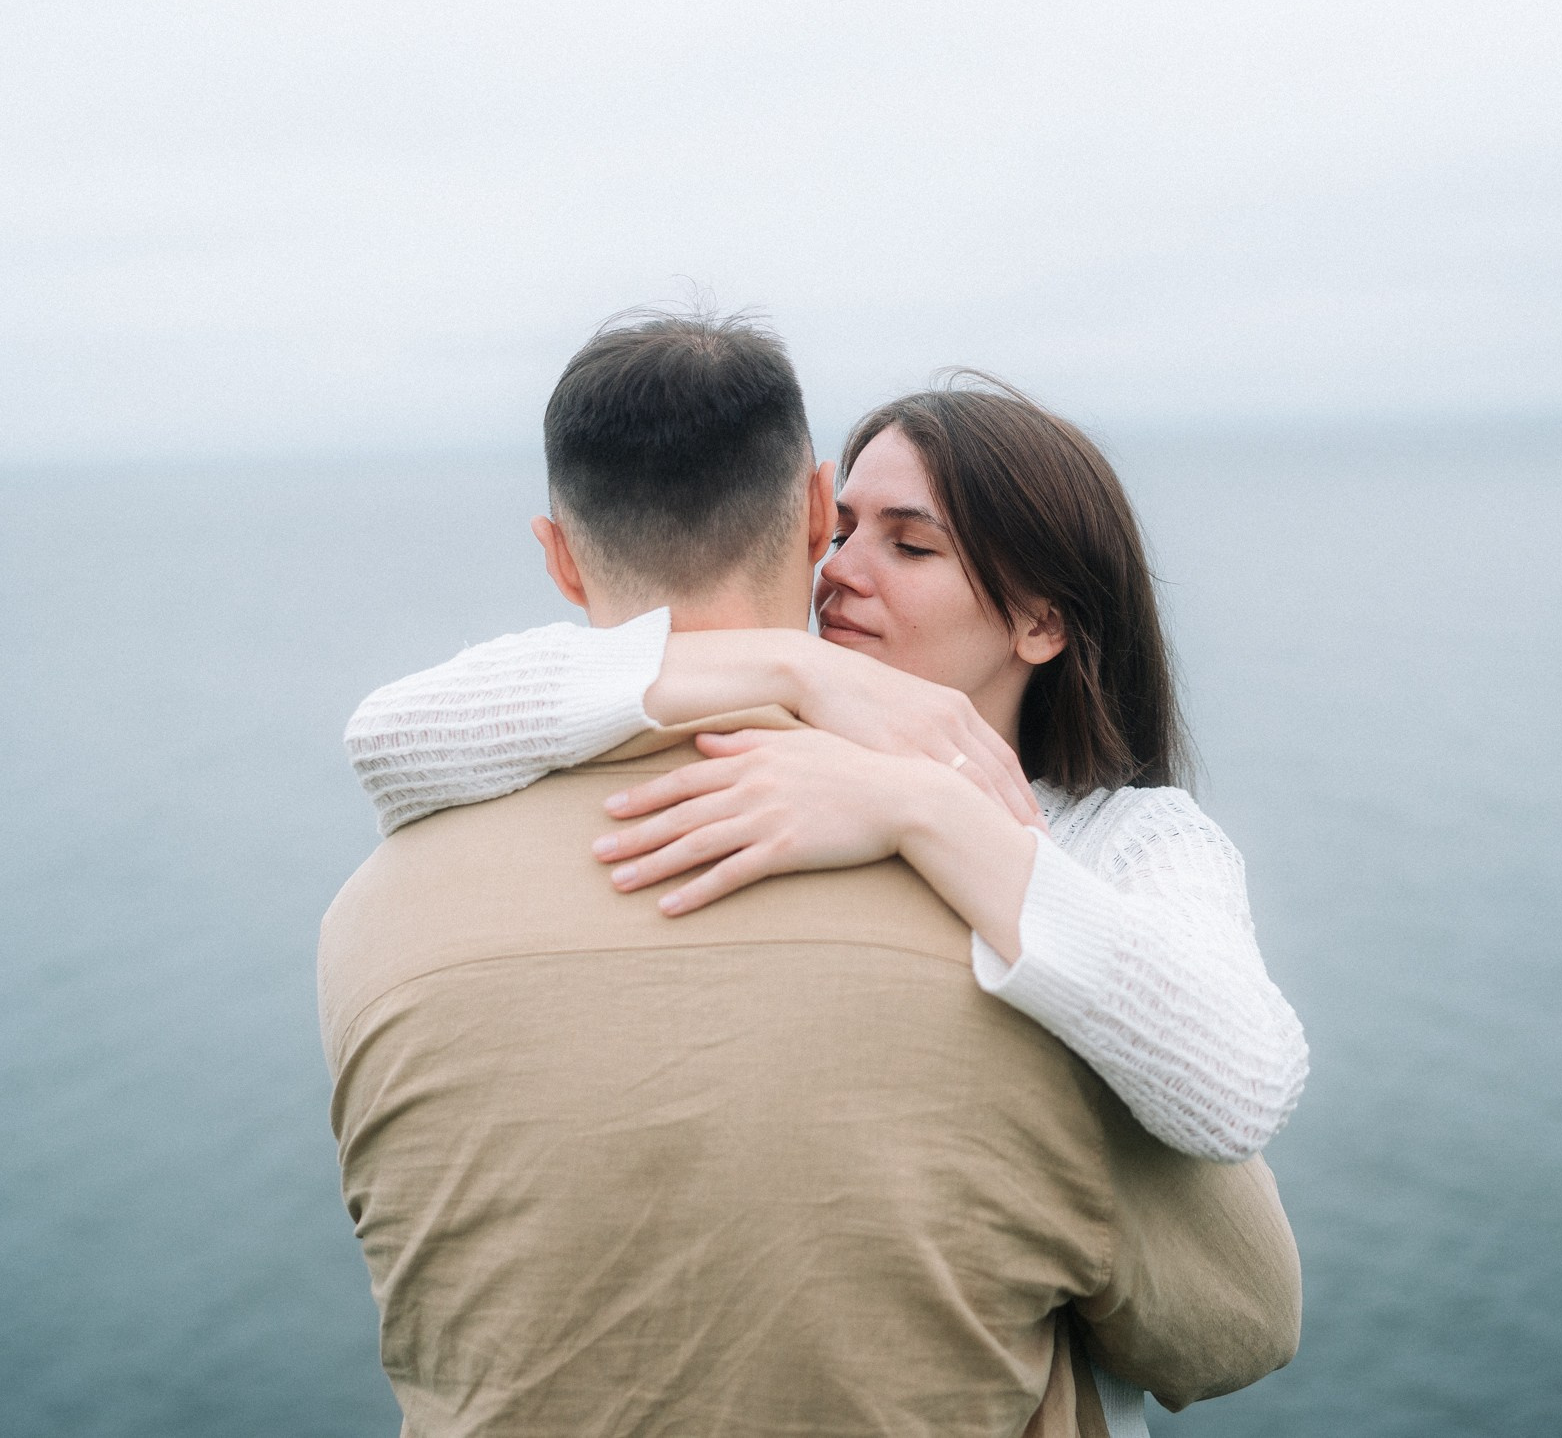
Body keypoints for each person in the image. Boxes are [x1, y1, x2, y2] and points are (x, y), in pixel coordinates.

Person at [320, 311, 1301, 1437]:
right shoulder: (786, 739)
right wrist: (781, 660)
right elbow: (392, 733)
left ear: (1039, 622)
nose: (839, 573)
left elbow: (1238, 1085)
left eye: (910, 545)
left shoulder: (1135, 843)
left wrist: (923, 808)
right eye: (839, 530)